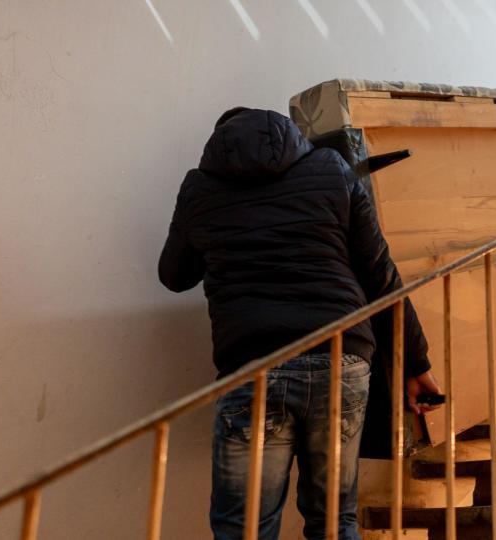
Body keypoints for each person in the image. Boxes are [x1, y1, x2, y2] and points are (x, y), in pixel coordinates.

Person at [158, 107, 441, 540]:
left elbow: (174, 275)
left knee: (244, 529)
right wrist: (414, 364)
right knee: (334, 520)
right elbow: (380, 274)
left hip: (254, 367)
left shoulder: (200, 187)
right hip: (339, 359)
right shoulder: (330, 168)